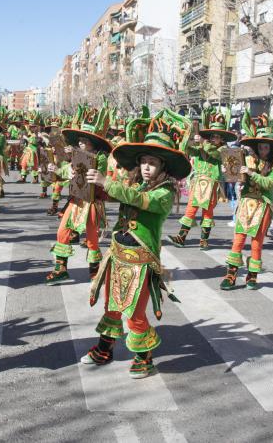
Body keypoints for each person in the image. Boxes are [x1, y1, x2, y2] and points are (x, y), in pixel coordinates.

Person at [81, 110, 191, 378]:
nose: (146, 167)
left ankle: (145, 357)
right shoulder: (137, 183)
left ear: (164, 167)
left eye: (152, 162)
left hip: (141, 259)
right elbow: (114, 193)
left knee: (134, 313)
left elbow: (139, 201)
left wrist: (109, 183)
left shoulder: (164, 192)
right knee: (112, 307)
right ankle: (105, 349)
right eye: (143, 161)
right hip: (118, 253)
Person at [220, 111, 273, 290]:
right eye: (260, 147)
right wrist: (229, 169)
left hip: (263, 205)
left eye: (266, 147)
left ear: (271, 148)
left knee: (257, 242)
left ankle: (252, 276)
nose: (263, 150)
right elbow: (234, 175)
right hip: (246, 204)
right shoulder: (248, 159)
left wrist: (251, 174)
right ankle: (231, 274)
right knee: (238, 239)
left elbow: (269, 183)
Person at [46, 102, 111, 284]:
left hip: (92, 202)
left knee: (91, 238)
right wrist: (59, 169)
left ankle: (94, 270)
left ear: (93, 142)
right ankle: (61, 269)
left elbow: (103, 179)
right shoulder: (76, 154)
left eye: (85, 141)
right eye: (80, 140)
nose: (81, 143)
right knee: (63, 231)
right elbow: (69, 170)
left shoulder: (102, 158)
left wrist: (91, 175)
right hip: (76, 201)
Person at [168, 106, 234, 250]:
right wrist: (188, 138)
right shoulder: (203, 146)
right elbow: (187, 149)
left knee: (207, 213)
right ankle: (181, 237)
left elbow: (214, 154)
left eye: (217, 136)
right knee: (190, 210)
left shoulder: (224, 150)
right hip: (197, 183)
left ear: (222, 138)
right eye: (212, 136)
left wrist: (202, 143)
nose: (214, 138)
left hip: (212, 184)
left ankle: (204, 240)